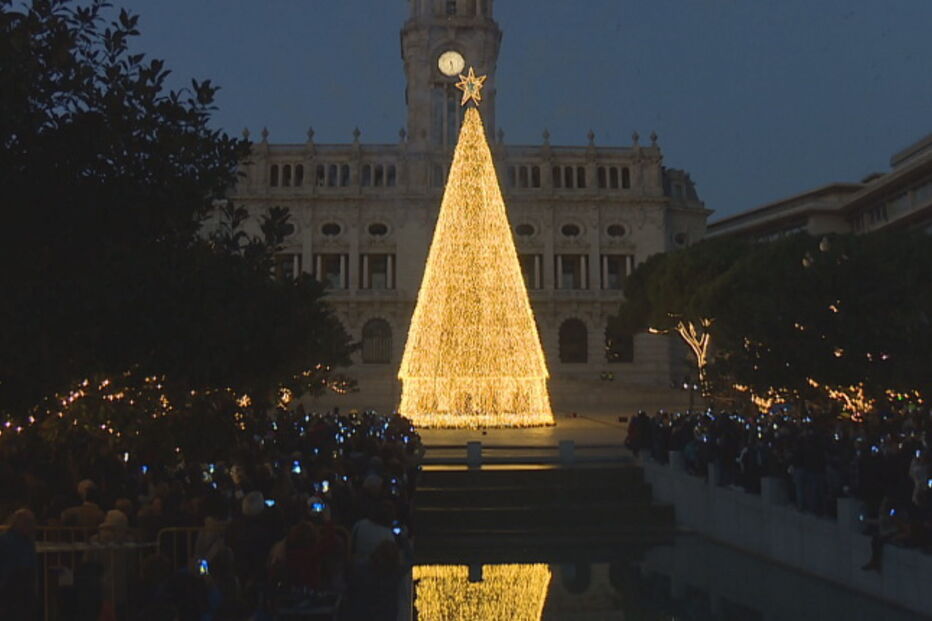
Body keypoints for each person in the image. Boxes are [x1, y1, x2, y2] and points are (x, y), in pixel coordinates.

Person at [0, 508, 38, 621]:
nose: (31, 525)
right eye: (27, 522)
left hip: (24, 585)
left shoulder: (29, 542)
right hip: (10, 585)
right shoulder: (5, 540)